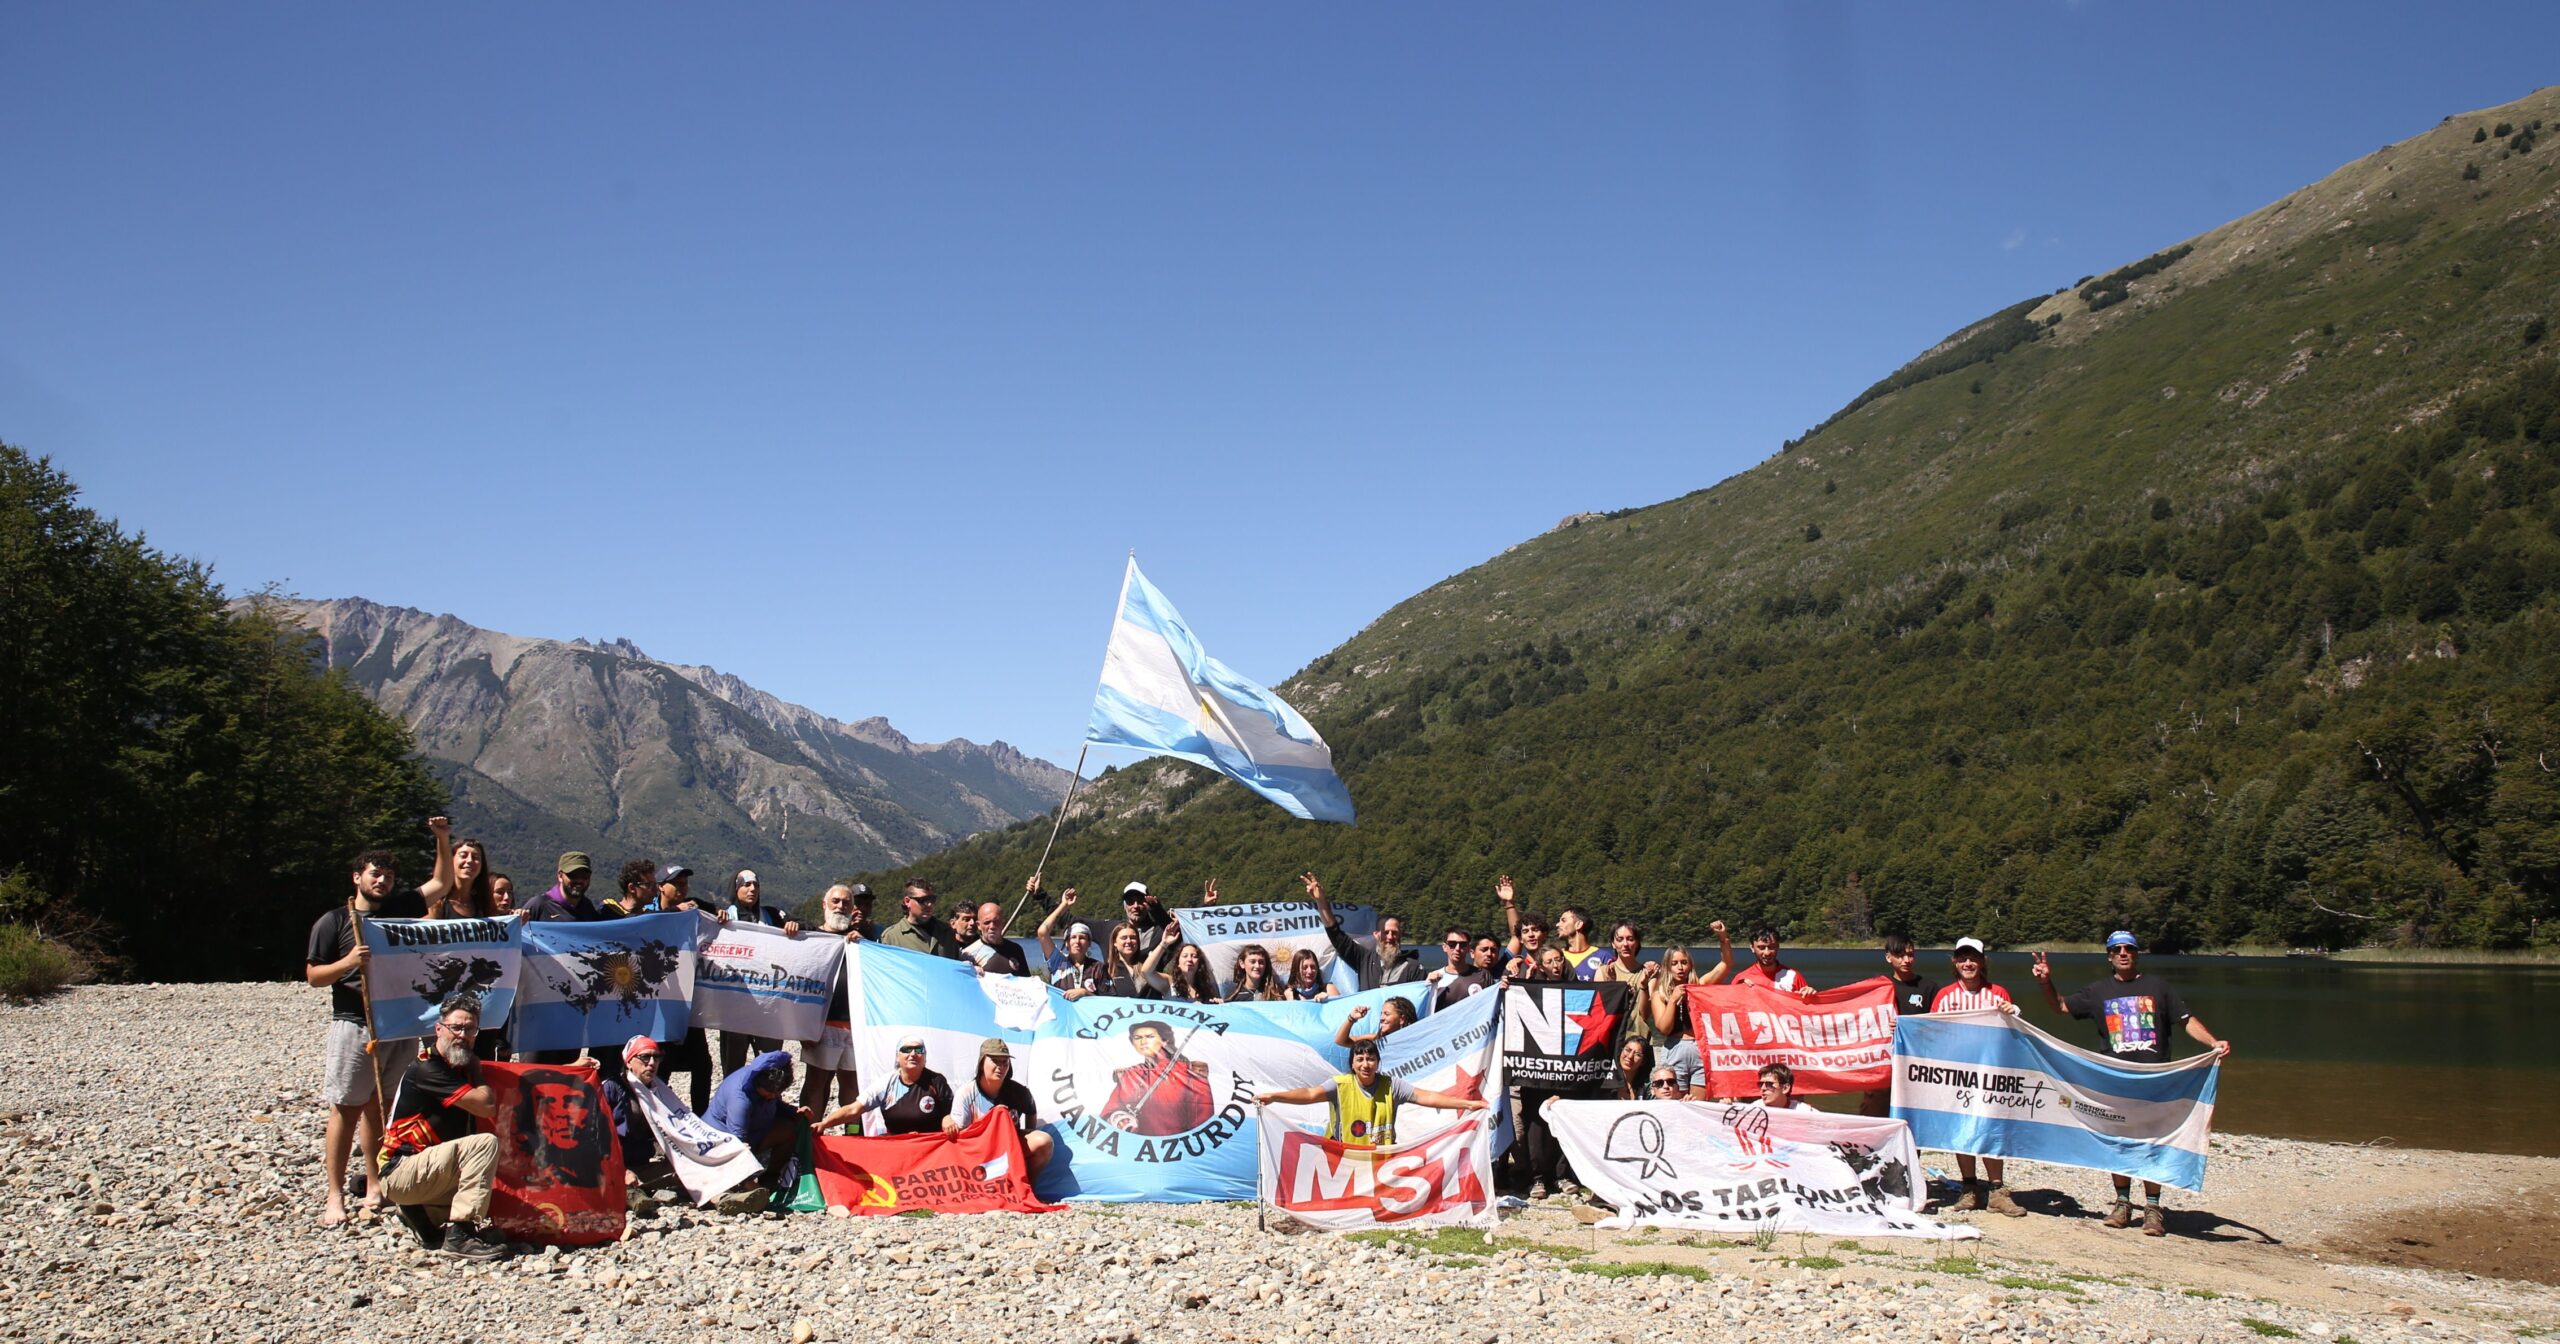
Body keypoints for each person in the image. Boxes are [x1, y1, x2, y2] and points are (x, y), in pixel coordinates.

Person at [2034, 933, 2231, 1237]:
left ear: (2137, 954)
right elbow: (2060, 1007)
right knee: (2119, 1140)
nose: (2123, 953)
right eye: (2117, 950)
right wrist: (2046, 982)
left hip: (2155, 1079)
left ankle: (2152, 1209)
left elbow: (2186, 1019)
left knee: (2152, 1140)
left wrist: (2212, 1042)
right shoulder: (2098, 991)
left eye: (2129, 949)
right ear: (2109, 956)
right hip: (2115, 1079)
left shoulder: (2159, 988)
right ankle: (2123, 1204)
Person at [305, 846, 424, 1228]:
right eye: (375, 874)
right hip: (354, 1023)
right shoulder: (335, 921)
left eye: (388, 876)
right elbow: (314, 976)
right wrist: (348, 963)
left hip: (396, 1024)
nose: (382, 881)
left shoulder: (395, 916)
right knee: (345, 1107)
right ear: (357, 877)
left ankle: (375, 1183)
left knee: (381, 1106)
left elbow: (439, 885)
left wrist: (441, 837)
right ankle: (335, 1192)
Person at [376, 994, 509, 1259]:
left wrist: (570, 1069)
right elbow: (484, 1104)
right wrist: (478, 1073)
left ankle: (422, 1216)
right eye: (455, 1028)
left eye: (470, 1029)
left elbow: (516, 1078)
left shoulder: (458, 1066)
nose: (462, 1035)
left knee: (501, 1198)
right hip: (401, 1169)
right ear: (439, 1029)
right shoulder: (429, 1068)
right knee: (484, 1144)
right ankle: (460, 1235)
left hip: (423, 1169)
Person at [1931, 938, 2026, 1217]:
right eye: (1962, 958)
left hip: (1991, 1073)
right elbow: (1932, 1031)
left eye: (1973, 958)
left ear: (1983, 962)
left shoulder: (1998, 993)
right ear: (1955, 962)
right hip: (1958, 1073)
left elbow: (2014, 1033)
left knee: (1992, 1128)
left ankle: (1997, 1190)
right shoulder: (1946, 995)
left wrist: (2015, 1013)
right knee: (1962, 1129)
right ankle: (1969, 1189)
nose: (1968, 963)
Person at [1256, 1036, 1489, 1147]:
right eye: (1360, 1059)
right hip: (1344, 1154)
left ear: (1378, 1062)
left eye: (1371, 1059)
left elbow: (1426, 1097)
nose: (1366, 1064)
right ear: (1353, 1064)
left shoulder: (1392, 1085)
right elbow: (1308, 1094)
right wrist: (1275, 1097)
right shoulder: (1339, 1085)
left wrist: (1467, 1104)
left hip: (1380, 1154)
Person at [706, 1049, 859, 1211]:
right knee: (738, 1164)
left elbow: (776, 1105)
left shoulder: (766, 1082)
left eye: (775, 1094)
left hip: (754, 1133)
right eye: (767, 1096)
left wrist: (795, 1113)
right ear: (758, 1084)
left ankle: (770, 1178)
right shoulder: (740, 1099)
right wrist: (748, 1182)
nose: (771, 1097)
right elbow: (737, 1142)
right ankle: (738, 1187)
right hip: (720, 1145)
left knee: (789, 1129)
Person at [801, 885, 866, 1117]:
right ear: (824, 905)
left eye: (846, 903)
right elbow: (801, 982)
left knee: (853, 1089)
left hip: (856, 1026)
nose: (840, 907)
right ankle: (809, 1140)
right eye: (835, 901)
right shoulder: (810, 938)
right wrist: (804, 1027)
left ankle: (852, 1137)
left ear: (852, 908)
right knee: (816, 1085)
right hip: (822, 1025)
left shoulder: (860, 941)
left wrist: (864, 944)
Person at [1863, 931, 1940, 1117]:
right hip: (1882, 1063)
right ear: (1888, 957)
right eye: (1900, 955)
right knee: (1875, 1114)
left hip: (1915, 1062)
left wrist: (1909, 1027)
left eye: (1910, 954)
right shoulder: (1878, 986)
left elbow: (1938, 1027)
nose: (1906, 960)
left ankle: (1913, 1146)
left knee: (1912, 1115)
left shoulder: (1928, 987)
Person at [950, 1039, 1054, 1176]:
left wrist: (1027, 1131)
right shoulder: (966, 1093)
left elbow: (1031, 1111)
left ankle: (1026, 1186)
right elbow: (960, 1139)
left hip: (1009, 1148)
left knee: (1044, 1142)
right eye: (995, 1060)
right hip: (978, 1152)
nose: (1000, 1066)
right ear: (982, 1063)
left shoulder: (1020, 1092)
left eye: (1005, 1062)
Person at [1302, 872, 1422, 988]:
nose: (1390, 937)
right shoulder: (1364, 959)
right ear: (1376, 935)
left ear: (1400, 935)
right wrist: (1321, 900)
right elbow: (1336, 934)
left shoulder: (1413, 967)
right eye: (1385, 932)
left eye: (1394, 933)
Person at [1102, 1021, 1215, 1135]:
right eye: (1137, 1037)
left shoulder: (1189, 1072)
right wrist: (1118, 1119)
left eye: (1150, 1037)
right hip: (1135, 1148)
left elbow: (1202, 1121)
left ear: (1164, 1041)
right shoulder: (1130, 1074)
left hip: (1176, 1148)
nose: (1143, 1042)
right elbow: (1109, 1112)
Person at [842, 1035, 953, 1136]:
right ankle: (851, 1131)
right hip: (897, 1146)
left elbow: (954, 1113)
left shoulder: (937, 1081)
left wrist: (948, 1118)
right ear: (897, 1056)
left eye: (919, 1050)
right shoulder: (886, 1083)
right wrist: (824, 1124)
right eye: (906, 1050)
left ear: (925, 1056)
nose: (913, 1054)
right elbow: (853, 1109)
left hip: (930, 1146)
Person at [599, 1035, 665, 1188]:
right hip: (609, 1162)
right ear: (629, 1061)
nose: (652, 1063)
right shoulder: (610, 1088)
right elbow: (594, 1135)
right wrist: (620, 1169)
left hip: (639, 1159)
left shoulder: (661, 1091)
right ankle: (632, 1194)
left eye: (657, 1057)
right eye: (644, 1057)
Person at [420, 817, 500, 920]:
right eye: (463, 855)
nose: (469, 861)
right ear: (451, 861)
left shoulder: (484, 906)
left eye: (476, 857)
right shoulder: (437, 903)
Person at [878, 879, 965, 959]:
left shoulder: (946, 932)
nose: (929, 905)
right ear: (907, 901)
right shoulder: (892, 937)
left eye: (932, 899)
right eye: (923, 900)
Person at [523, 852, 604, 923]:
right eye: (573, 875)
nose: (579, 880)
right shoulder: (539, 906)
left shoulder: (587, 907)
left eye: (584, 876)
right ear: (560, 876)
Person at [1731, 926, 1814, 996]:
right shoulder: (1741, 979)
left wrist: (1811, 995)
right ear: (1752, 948)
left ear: (1778, 946)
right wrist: (1739, 991)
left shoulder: (1793, 976)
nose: (1767, 953)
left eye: (1771, 947)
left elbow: (1809, 1009)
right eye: (1761, 948)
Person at [1494, 876, 1550, 976]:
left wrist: (1509, 903)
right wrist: (1508, 903)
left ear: (1545, 934)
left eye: (1535, 930)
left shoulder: (1556, 966)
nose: (1531, 934)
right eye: (1525, 932)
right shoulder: (1513, 969)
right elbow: (1515, 935)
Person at [725, 869, 798, 933]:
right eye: (747, 885)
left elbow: (806, 925)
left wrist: (794, 925)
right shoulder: (726, 917)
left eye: (756, 885)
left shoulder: (772, 914)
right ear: (736, 889)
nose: (753, 889)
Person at [1097, 922, 1158, 998]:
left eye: (1133, 937)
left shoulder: (1148, 964)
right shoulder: (1107, 970)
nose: (1129, 941)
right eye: (1124, 938)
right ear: (1114, 942)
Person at [969, 900, 1029, 976]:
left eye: (996, 922)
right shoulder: (969, 955)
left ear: (1002, 923)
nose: (992, 926)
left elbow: (1027, 981)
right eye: (987, 922)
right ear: (978, 925)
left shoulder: (1016, 949)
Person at [1332, 997, 1418, 1049]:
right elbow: (1340, 1041)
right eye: (1381, 1014)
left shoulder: (1417, 1039)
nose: (1381, 1018)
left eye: (1386, 1014)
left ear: (1402, 1019)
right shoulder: (1376, 1041)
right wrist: (1351, 1018)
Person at [1118, 881, 1175, 959]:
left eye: (1140, 901)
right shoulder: (1115, 931)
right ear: (1124, 906)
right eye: (1130, 902)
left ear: (1148, 903)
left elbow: (1174, 932)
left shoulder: (1159, 931)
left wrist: (1157, 911)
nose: (1135, 906)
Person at [1553, 907, 1610, 979]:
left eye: (1563, 920)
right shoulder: (1558, 956)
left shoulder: (1603, 957)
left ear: (1578, 924)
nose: (1557, 925)